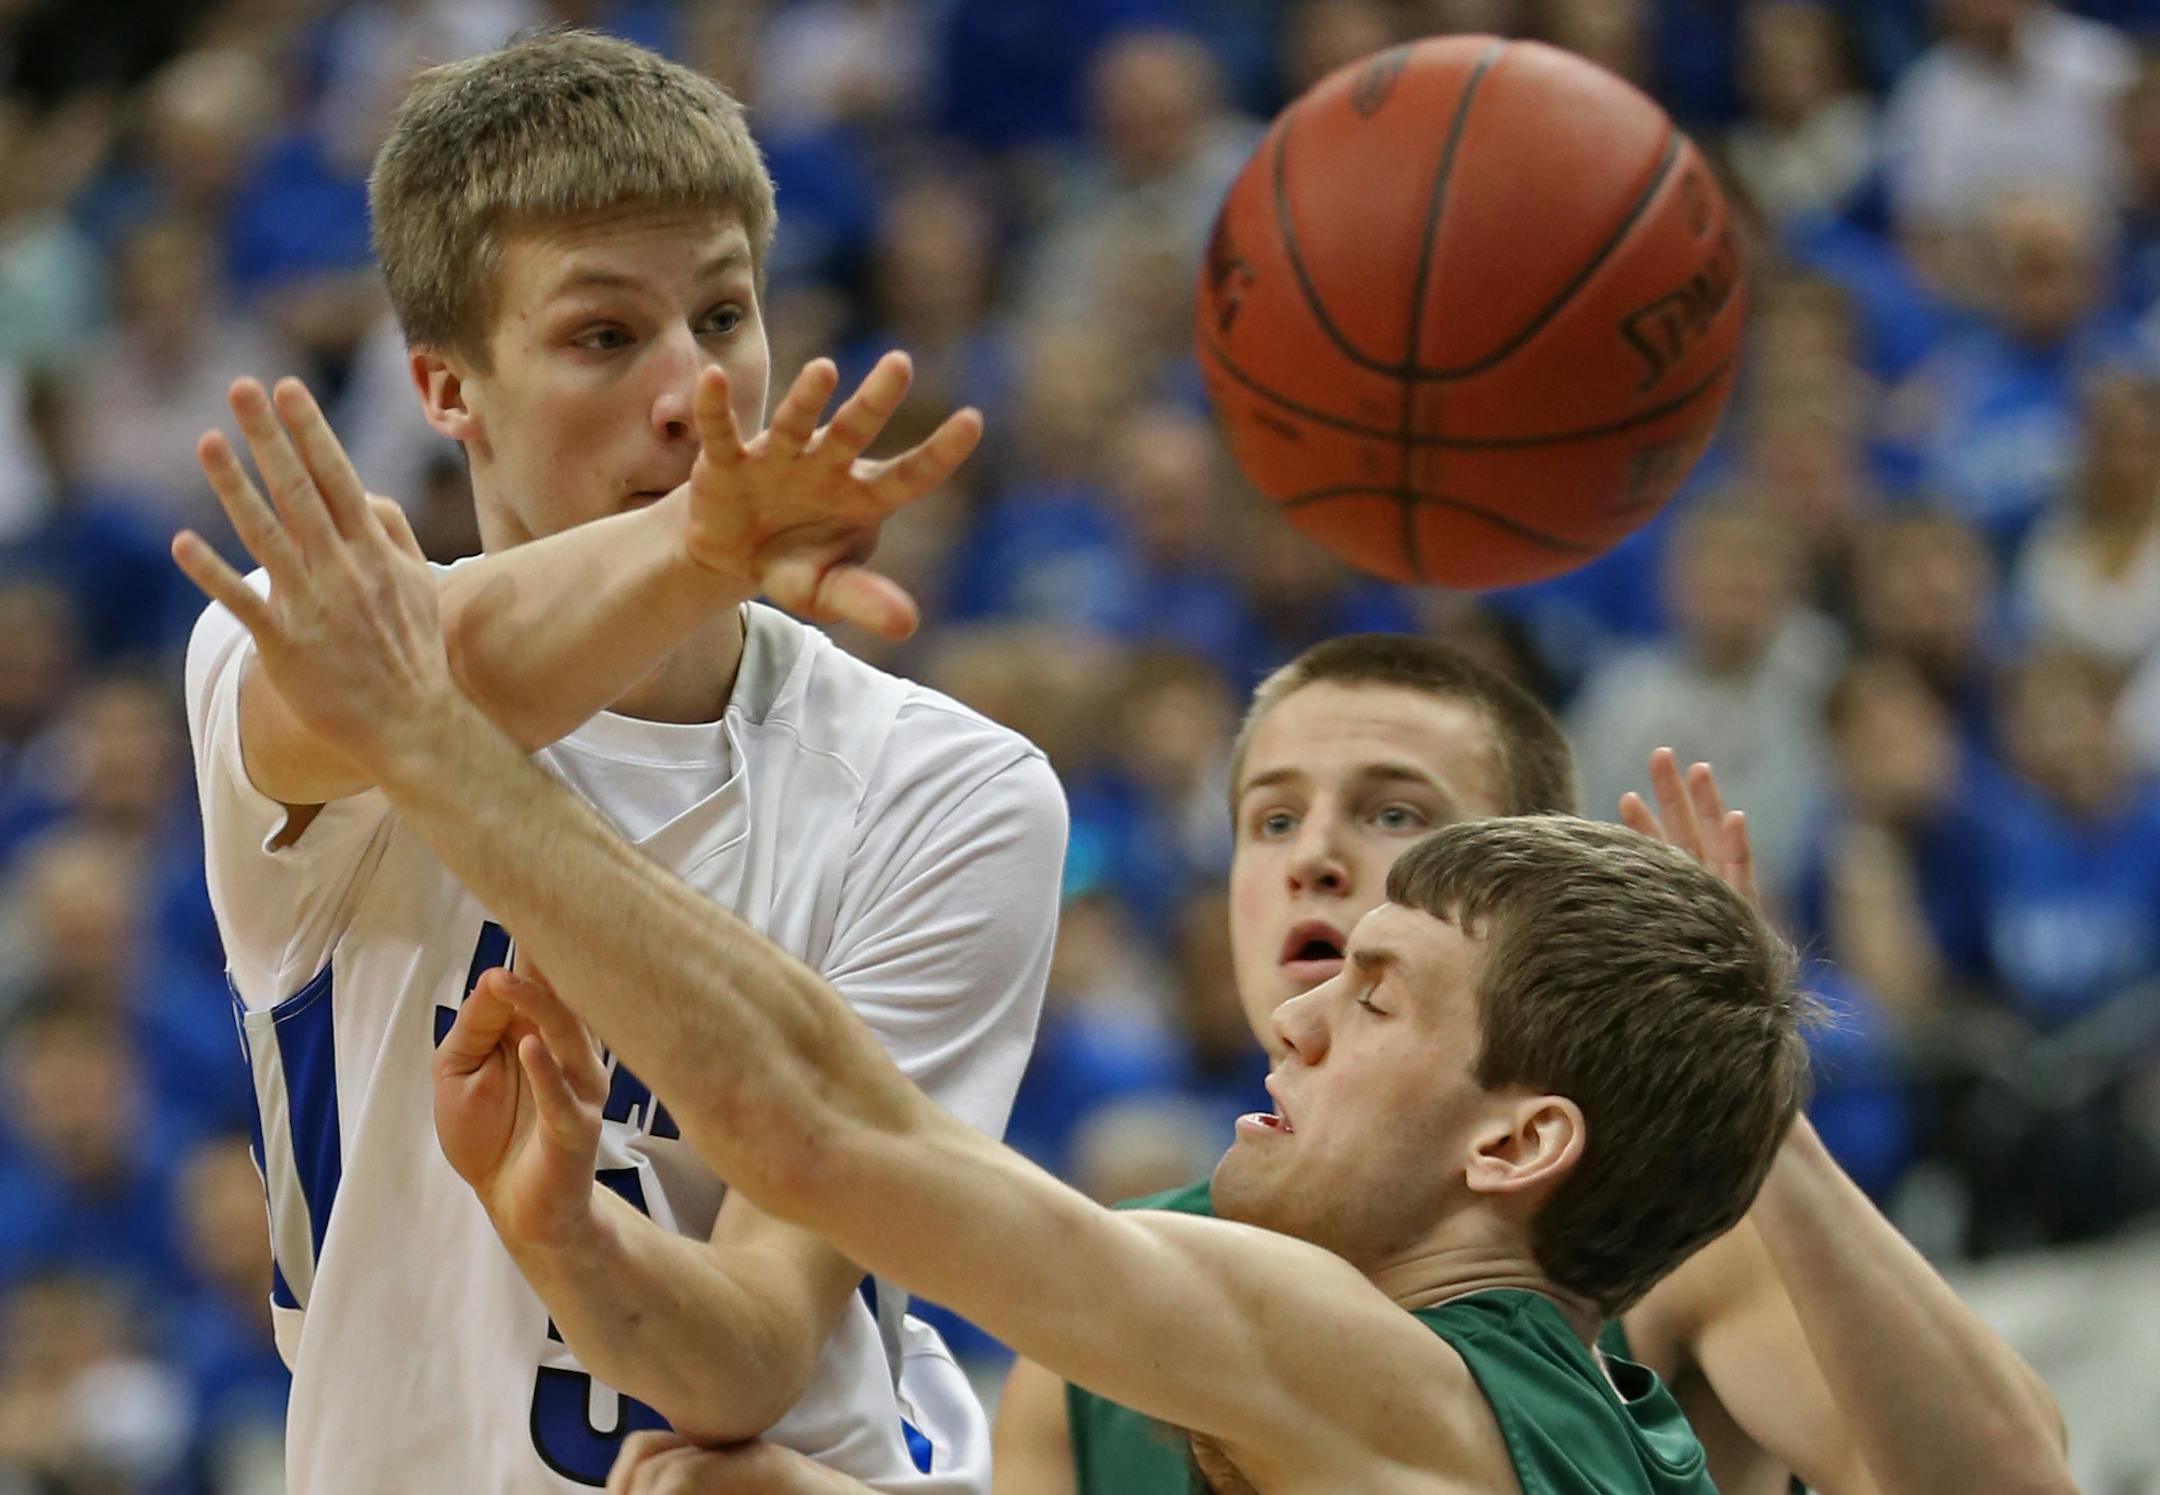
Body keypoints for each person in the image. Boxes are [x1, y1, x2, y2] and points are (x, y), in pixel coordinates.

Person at [175, 421, 2074, 1492]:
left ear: (1517, 1147)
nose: (1306, 984)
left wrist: (431, 743)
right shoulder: (1554, 1427)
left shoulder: (1395, 1366)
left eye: (1384, 982)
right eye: (1279, 825)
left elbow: (827, 1132)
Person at [179, 29, 1064, 1492]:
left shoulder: (946, 791)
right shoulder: (292, 647)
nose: (690, 395)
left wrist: (568, 1231)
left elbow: (761, 1354)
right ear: (446, 389)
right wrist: (697, 541)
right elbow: (413, 673)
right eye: (605, 336)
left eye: (723, 318)